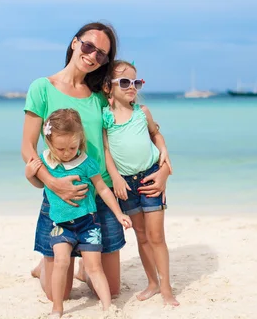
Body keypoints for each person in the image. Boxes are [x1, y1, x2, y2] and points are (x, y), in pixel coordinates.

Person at [21, 22, 172, 302]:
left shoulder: (100, 96)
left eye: (101, 54)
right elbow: (27, 147)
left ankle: (84, 266)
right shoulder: (42, 87)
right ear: (75, 43)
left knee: (111, 290)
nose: (92, 56)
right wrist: (54, 184)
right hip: (60, 197)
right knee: (59, 294)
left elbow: (139, 130)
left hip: (101, 196)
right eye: (89, 47)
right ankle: (45, 265)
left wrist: (164, 168)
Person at [25, 108, 132, 318]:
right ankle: (57, 308)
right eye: (61, 148)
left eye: (72, 147)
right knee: (61, 262)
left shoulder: (86, 163)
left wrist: (119, 214)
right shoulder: (44, 161)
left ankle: (107, 307)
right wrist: (30, 175)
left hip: (88, 224)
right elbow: (39, 184)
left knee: (95, 267)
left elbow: (102, 189)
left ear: (80, 140)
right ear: (49, 143)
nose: (66, 153)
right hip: (61, 225)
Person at [102, 60, 180, 306]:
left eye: (136, 82)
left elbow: (155, 133)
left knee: (157, 236)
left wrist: (164, 149)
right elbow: (105, 149)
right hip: (126, 184)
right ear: (108, 87)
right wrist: (114, 177)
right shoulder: (105, 117)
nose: (131, 87)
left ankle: (166, 287)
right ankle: (152, 282)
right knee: (142, 236)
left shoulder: (142, 112)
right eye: (124, 82)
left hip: (150, 177)